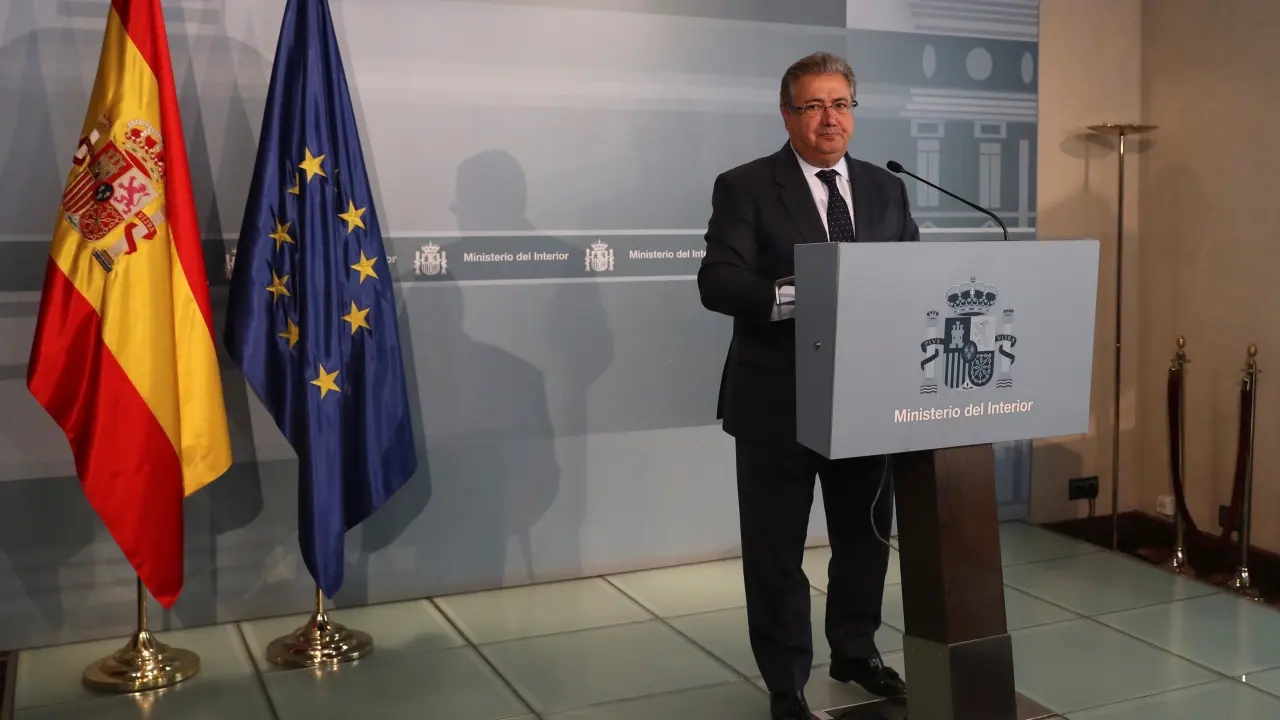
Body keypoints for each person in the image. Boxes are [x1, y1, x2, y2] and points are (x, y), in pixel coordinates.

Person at [697, 51, 919, 720]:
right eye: (814, 106)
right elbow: (719, 281)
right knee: (777, 553)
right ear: (788, 114)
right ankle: (786, 681)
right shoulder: (746, 186)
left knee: (864, 539)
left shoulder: (884, 188)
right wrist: (802, 294)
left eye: (841, 104)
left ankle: (855, 650)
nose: (830, 119)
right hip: (778, 400)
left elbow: (912, 271)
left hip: (865, 397)